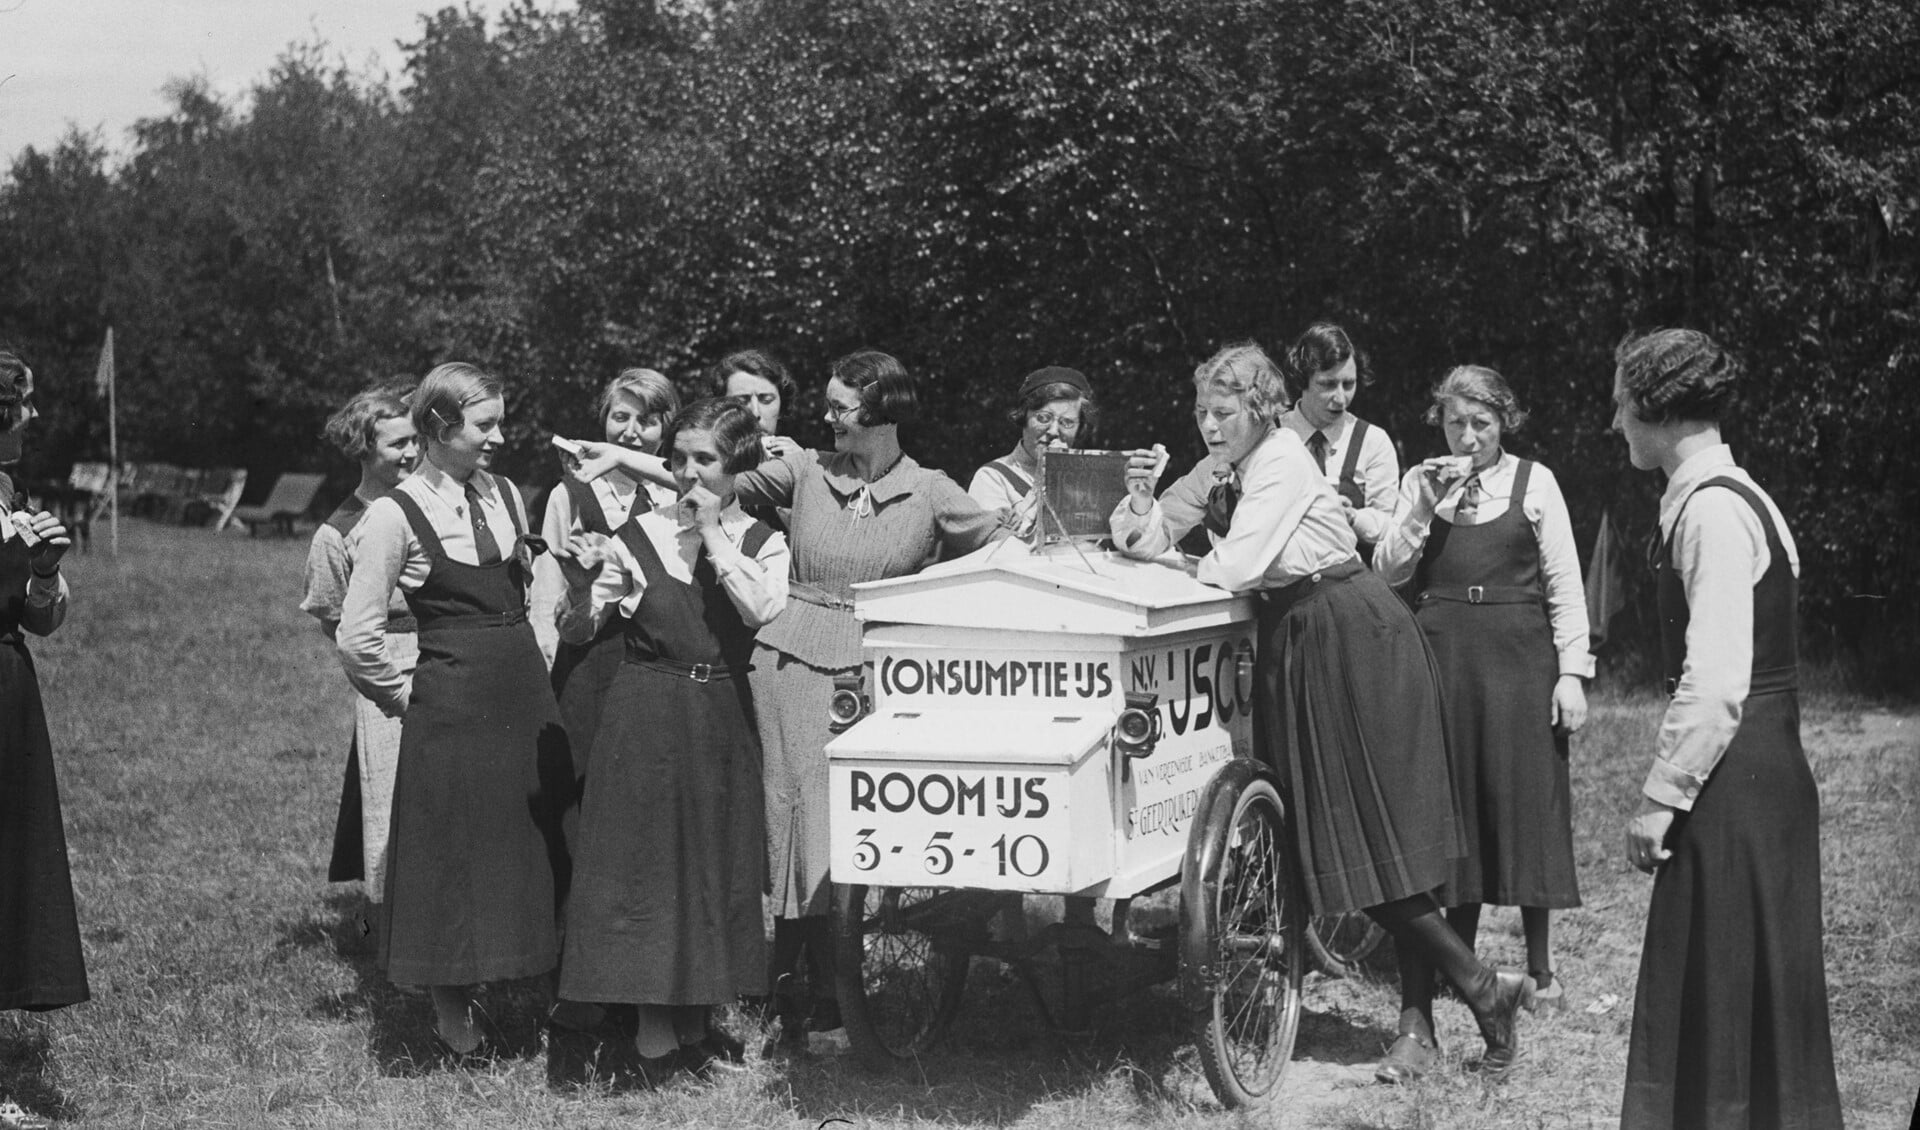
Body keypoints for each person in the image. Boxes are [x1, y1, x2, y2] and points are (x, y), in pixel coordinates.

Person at [1111, 342, 1532, 1081]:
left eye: (1223, 412)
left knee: (1366, 833)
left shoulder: (1279, 462)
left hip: (1347, 633)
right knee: (1334, 837)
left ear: (1262, 408)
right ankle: (1480, 988)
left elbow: (1236, 566)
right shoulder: (1225, 468)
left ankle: (1475, 990)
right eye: (1202, 413)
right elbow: (1148, 537)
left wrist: (1180, 562)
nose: (1209, 426)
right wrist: (1144, 503)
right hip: (1299, 639)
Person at [732, 349, 1006, 1047]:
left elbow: (998, 546)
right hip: (790, 654)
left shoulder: (933, 490)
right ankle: (798, 985)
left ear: (882, 415)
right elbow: (711, 471)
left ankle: (831, 986)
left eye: (838, 406)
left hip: (877, 670)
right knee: (787, 810)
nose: (824, 417)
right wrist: (624, 463)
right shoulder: (803, 469)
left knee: (846, 820)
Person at [1610, 329, 1841, 1130]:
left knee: (1726, 993)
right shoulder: (1737, 497)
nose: (1615, 424)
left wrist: (1659, 798)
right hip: (1760, 773)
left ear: (1657, 408)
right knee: (1743, 996)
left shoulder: (1713, 512)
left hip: (1735, 781)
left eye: (1620, 404)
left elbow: (1714, 682)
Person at [336, 362, 568, 1059]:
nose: (501, 436)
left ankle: (525, 975)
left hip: (521, 694)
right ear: (439, 426)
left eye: (502, 420)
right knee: (452, 853)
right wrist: (404, 695)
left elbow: (527, 588)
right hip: (451, 701)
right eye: (486, 424)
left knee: (525, 843)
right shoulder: (392, 514)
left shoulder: (503, 495)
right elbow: (357, 632)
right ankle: (450, 1009)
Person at [551, 398, 787, 1081]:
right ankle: (653, 1032)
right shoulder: (637, 533)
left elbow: (762, 610)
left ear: (739, 466)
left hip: (721, 714)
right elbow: (580, 628)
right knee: (649, 862)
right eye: (679, 459)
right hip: (647, 709)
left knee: (712, 862)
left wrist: (713, 536)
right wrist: (580, 583)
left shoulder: (763, 540)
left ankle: (695, 1020)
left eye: (703, 460)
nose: (685, 473)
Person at [1373, 365, 1591, 1046]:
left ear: (1505, 421)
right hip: (1442, 660)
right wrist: (1421, 506)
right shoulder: (1420, 483)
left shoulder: (1535, 483)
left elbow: (1565, 584)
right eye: (1455, 422)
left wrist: (1572, 673)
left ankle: (1540, 968)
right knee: (1451, 805)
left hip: (1520, 659)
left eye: (1481, 423)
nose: (1467, 436)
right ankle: (1453, 964)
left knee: (1523, 800)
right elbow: (1387, 571)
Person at [300, 384, 420, 946]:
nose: (412, 453)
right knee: (390, 799)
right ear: (363, 451)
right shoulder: (338, 531)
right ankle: (391, 925)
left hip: (451, 654)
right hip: (388, 667)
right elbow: (335, 618)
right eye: (398, 444)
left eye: (416, 441)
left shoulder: (431, 507)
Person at [529, 369, 679, 804]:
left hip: (659, 660)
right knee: (587, 789)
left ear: (667, 426)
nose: (630, 433)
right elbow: (546, 592)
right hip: (590, 661)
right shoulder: (571, 494)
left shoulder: (676, 495)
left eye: (646, 421)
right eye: (620, 418)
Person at [0, 349, 83, 1130]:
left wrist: (45, 571)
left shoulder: (7, 490)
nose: (30, 418)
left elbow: (41, 619)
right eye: (19, 405)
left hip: (9, 691)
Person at [1276, 323, 1400, 563]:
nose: (1341, 398)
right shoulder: (1273, 436)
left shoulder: (1373, 441)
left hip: (1349, 581)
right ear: (1303, 380)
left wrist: (1352, 517)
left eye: (1349, 384)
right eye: (1328, 384)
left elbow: (1388, 526)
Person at [967, 365, 1096, 538]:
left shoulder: (1091, 478)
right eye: (1043, 418)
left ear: (1079, 428)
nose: (1053, 431)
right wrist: (1044, 483)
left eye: (1067, 422)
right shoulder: (992, 478)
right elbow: (995, 549)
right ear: (1024, 417)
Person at [708, 348, 801, 462]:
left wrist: (801, 468)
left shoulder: (798, 461)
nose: (755, 412)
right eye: (741, 402)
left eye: (766, 400)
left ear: (781, 407)